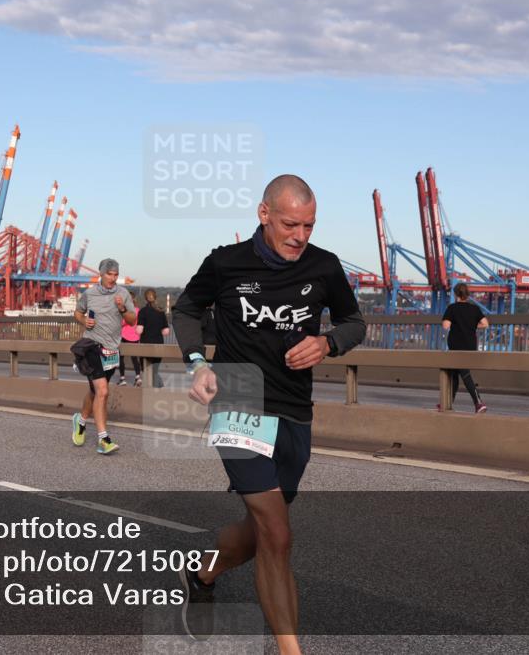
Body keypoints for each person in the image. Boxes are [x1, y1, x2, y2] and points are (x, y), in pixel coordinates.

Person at [172, 175, 366, 652]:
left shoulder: (324, 267)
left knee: (262, 532)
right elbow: (186, 311)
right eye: (290, 224)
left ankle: (203, 573)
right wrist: (197, 363)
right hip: (237, 402)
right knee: (278, 535)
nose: (300, 235)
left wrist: (327, 342)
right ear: (264, 215)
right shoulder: (225, 263)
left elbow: (354, 322)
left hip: (295, 411)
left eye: (309, 225)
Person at [70, 258, 136, 455]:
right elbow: (77, 312)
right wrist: (84, 321)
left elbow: (132, 321)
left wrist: (122, 309)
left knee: (96, 392)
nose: (113, 278)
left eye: (116, 275)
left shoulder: (122, 294)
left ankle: (80, 421)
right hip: (92, 346)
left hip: (111, 349)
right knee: (103, 391)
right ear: (101, 273)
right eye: (109, 274)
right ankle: (103, 439)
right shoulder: (89, 293)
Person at [440, 282, 489, 414]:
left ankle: (478, 402)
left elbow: (445, 326)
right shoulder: (474, 309)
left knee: (464, 374)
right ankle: (446, 403)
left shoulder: (452, 308)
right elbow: (485, 324)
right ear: (467, 295)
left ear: (456, 294)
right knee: (455, 374)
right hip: (470, 346)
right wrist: (473, 326)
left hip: (456, 345)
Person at [137, 288, 170, 387]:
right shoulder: (160, 311)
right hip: (158, 343)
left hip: (145, 343)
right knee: (155, 369)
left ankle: (152, 386)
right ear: (155, 297)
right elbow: (166, 331)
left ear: (145, 299)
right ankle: (156, 385)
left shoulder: (143, 311)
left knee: (145, 368)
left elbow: (139, 330)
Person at [118, 294, 143, 387]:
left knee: (120, 358)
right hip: (135, 336)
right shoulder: (138, 310)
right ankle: (137, 377)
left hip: (124, 335)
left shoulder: (126, 311)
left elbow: (122, 323)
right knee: (134, 358)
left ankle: (122, 378)